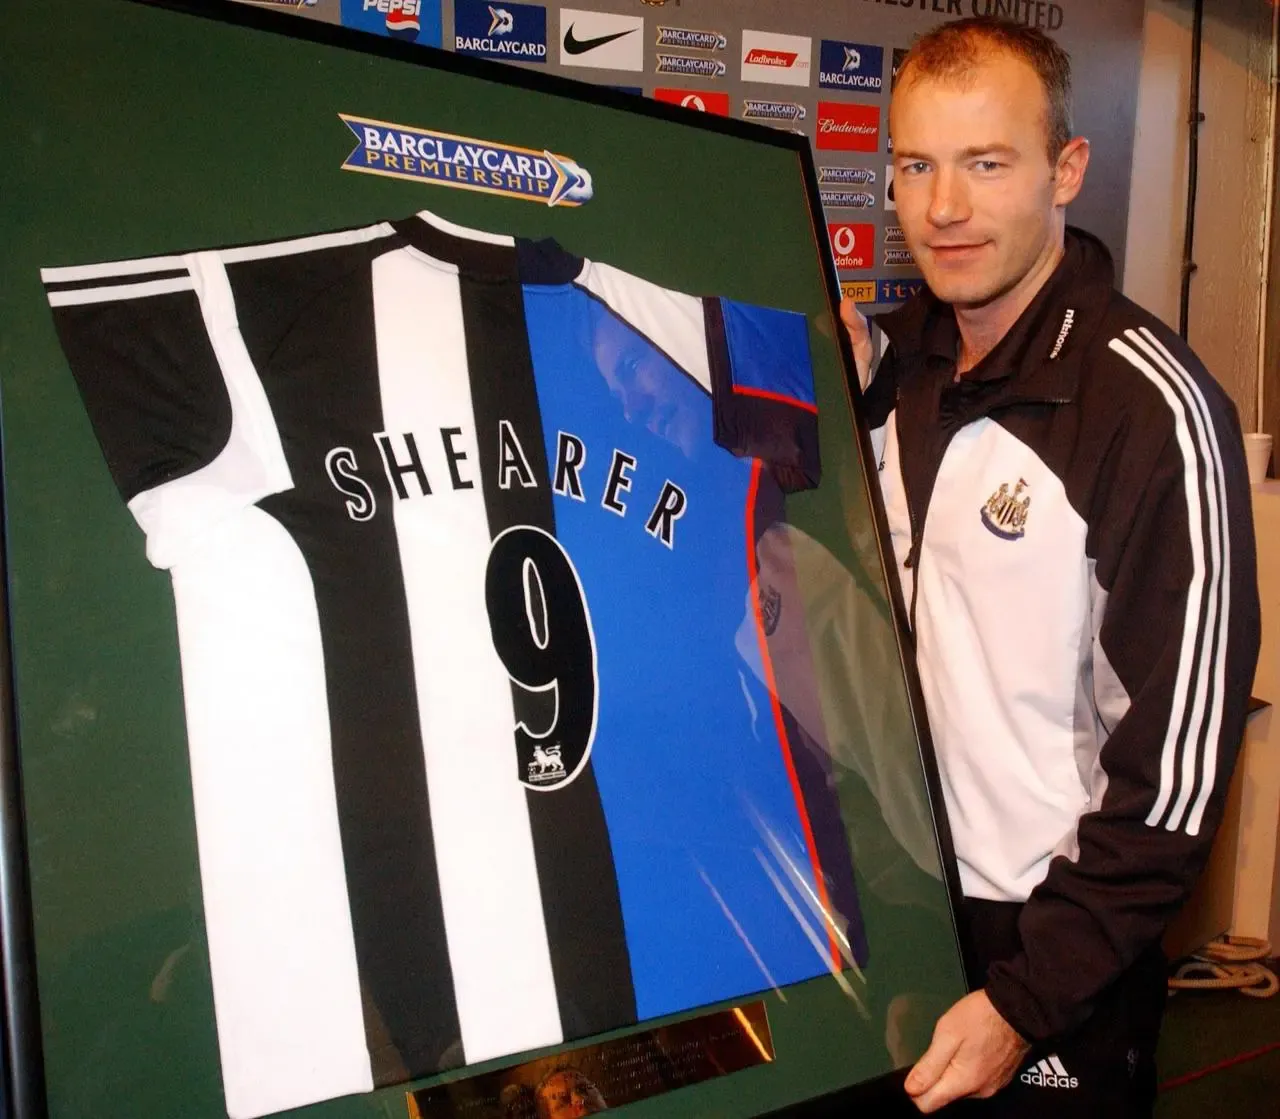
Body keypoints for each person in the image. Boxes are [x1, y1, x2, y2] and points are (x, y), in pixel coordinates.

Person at [839, 16, 1261, 1116]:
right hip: (893, 921)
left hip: (1053, 955)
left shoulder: (1149, 411)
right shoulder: (895, 377)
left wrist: (1026, 1001)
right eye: (915, 165)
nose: (942, 207)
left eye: (985, 164)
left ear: (1063, 169)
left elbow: (1171, 775)